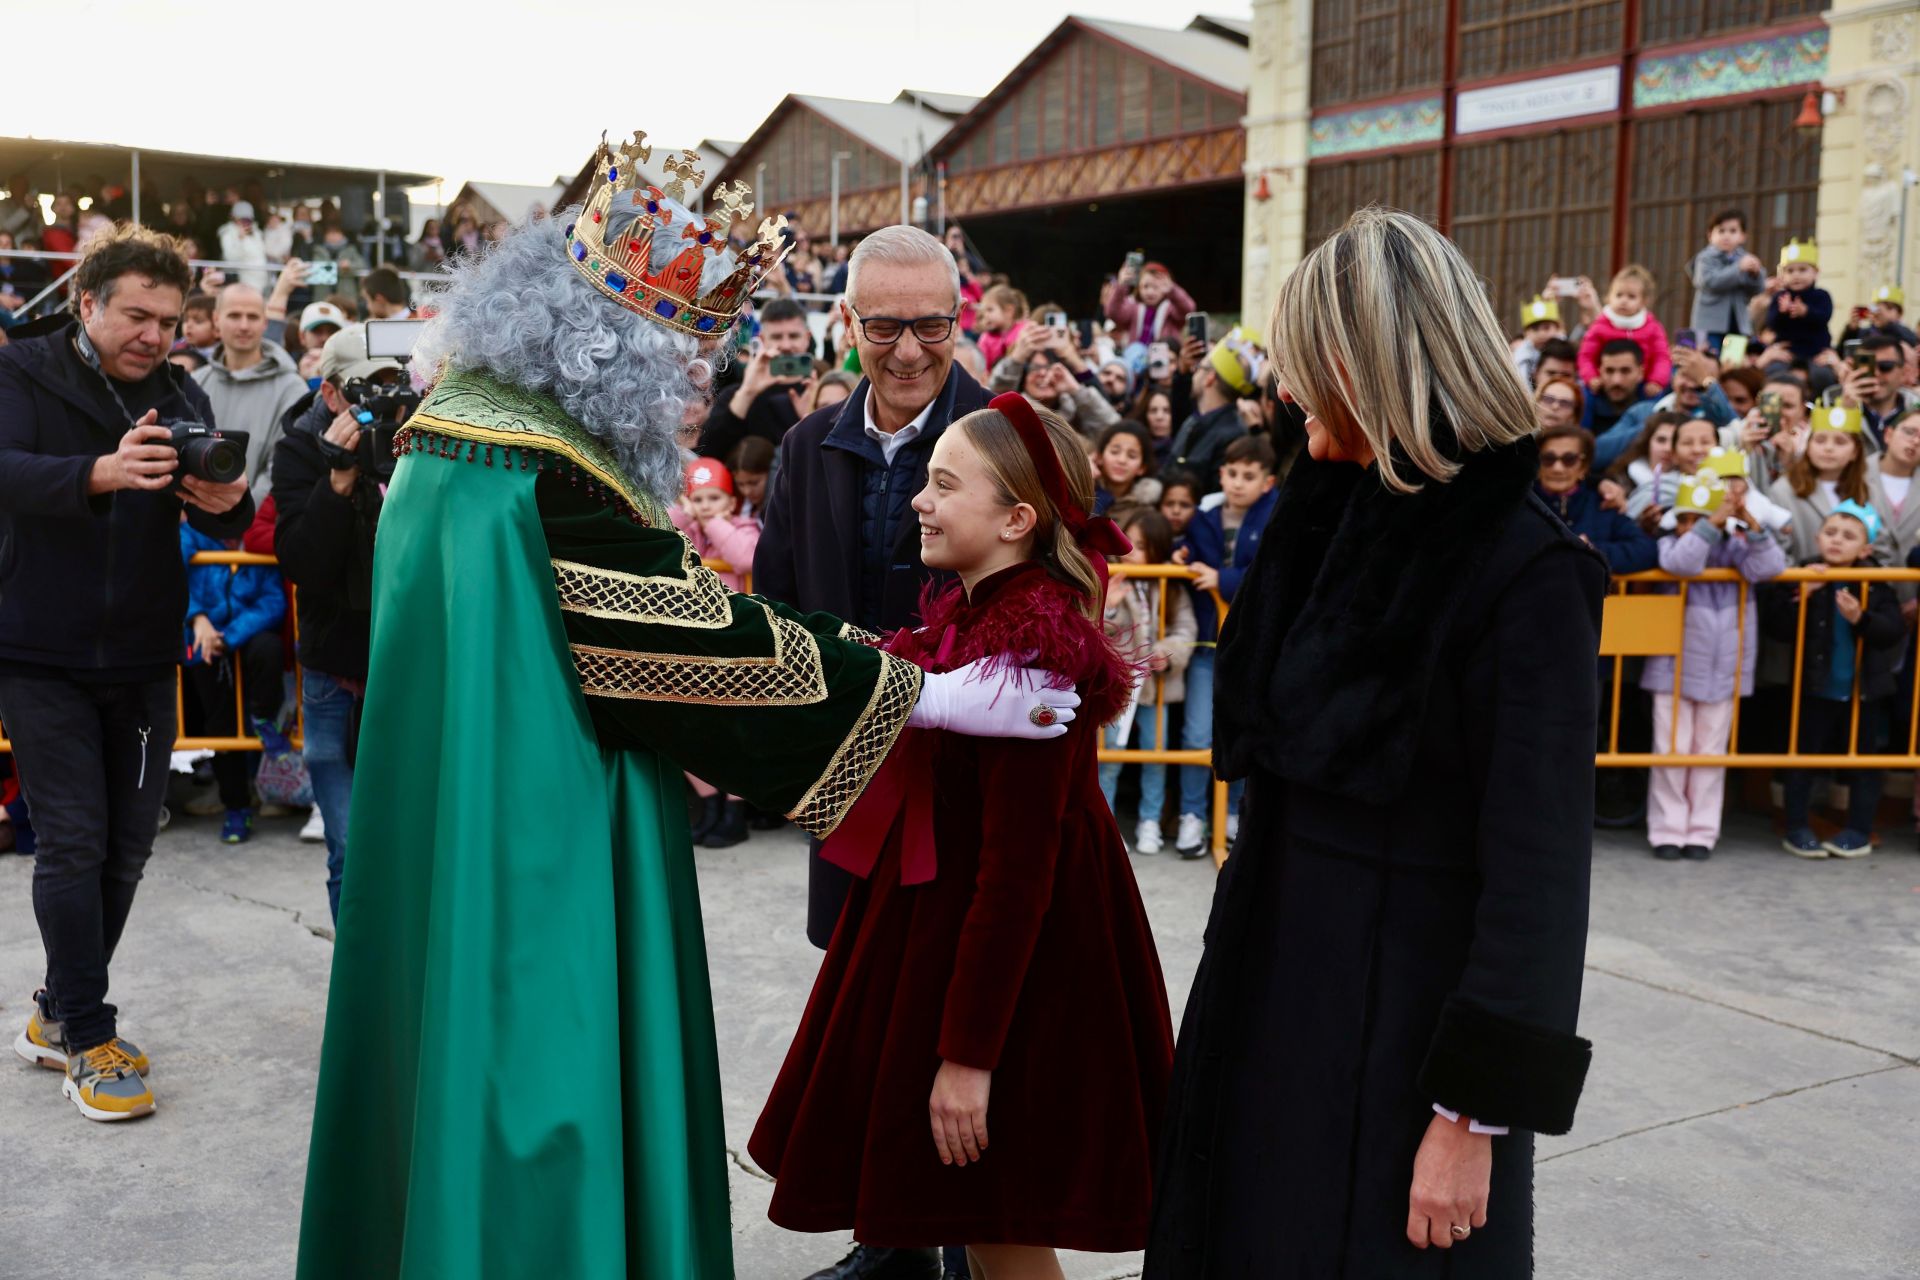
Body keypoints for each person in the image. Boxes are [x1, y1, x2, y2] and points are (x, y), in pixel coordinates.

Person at [295, 137, 1078, 1279]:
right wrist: (923, 690)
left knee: (446, 1056)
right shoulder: (540, 464)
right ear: (610, 343)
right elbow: (682, 631)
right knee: (543, 1073)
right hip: (542, 833)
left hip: (461, 820)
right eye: (680, 355)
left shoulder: (457, 429)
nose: (692, 388)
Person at [1146, 209, 1600, 1277]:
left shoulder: (1525, 568)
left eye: (1305, 365)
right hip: (1272, 982)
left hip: (1406, 1026)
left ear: (1368, 363)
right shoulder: (1328, 515)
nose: (1285, 394)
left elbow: (1538, 868)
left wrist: (1473, 1114)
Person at [750, 394, 1175, 1277]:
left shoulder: (1030, 647)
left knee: (1000, 1224)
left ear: (1018, 519)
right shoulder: (982, 617)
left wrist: (970, 1057)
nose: (919, 500)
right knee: (983, 1219)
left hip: (1013, 982)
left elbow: (1018, 873)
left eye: (944, 485)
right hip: (968, 956)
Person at [753, 222, 993, 1280]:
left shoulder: (1006, 432)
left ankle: (974, 1237)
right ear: (848, 323)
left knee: (969, 1018)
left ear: (959, 318)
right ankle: (891, 1238)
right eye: (885, 325)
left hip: (974, 785)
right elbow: (776, 598)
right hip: (854, 785)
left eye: (931, 324)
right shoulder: (808, 447)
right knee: (869, 1014)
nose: (907, 350)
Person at [0, 226, 253, 1123]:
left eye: (169, 318)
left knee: (127, 850)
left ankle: (54, 1011)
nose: (154, 334)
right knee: (73, 842)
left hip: (145, 655)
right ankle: (87, 1035)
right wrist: (98, 474)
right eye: (136, 315)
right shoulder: (21, 370)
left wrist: (230, 503)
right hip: (40, 653)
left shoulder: (181, 388)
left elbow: (225, 513)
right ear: (87, 303)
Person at [269, 324, 400, 921]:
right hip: (333, 671)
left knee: (414, 843)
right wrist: (340, 479)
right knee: (349, 849)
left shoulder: (421, 440)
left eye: (397, 384)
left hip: (408, 665)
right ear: (331, 394)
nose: (386, 400)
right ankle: (358, 1004)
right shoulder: (300, 449)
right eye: (369, 388)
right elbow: (303, 563)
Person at [1641, 466, 1785, 861]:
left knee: (1709, 752)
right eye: (1688, 519)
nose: (1696, 526)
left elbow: (1771, 568)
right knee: (1670, 752)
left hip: (1723, 671)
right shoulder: (1672, 544)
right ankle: (1668, 829)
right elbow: (1682, 564)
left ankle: (1701, 831)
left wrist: (1752, 525)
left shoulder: (1736, 548)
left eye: (1702, 518)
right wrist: (1709, 525)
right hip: (1672, 670)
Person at [1767, 501, 1904, 858]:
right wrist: (1801, 595)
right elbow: (1776, 626)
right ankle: (1797, 827)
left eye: (1848, 536)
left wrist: (1862, 618)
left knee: (1862, 765)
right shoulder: (1805, 574)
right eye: (1830, 533)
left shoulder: (1876, 583)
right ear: (1817, 536)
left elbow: (1892, 631)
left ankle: (1858, 830)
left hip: (1862, 694)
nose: (1837, 541)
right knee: (1802, 760)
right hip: (1813, 690)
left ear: (1866, 548)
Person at [1171, 432, 1276, 856]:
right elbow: (1191, 549)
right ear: (1221, 473)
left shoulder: (1275, 514)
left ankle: (1235, 812)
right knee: (1197, 734)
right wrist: (1179, 553)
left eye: (1248, 476)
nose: (1237, 483)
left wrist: (1225, 580)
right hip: (1204, 644)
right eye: (1232, 473)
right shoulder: (1204, 516)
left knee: (1240, 732)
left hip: (1250, 645)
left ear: (1266, 482)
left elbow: (1271, 571)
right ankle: (1193, 816)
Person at [671, 457, 763, 849]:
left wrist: (713, 522)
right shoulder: (689, 527)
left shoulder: (742, 527)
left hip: (735, 648)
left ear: (729, 501)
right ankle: (710, 804)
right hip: (694, 644)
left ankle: (734, 812)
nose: (705, 504)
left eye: (714, 497)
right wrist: (686, 511)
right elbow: (663, 530)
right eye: (699, 498)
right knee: (688, 728)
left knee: (734, 733)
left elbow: (745, 558)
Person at [180, 512, 287, 843]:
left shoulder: (254, 539)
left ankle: (263, 718)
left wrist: (228, 637)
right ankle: (236, 809)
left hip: (240, 637)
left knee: (269, 649)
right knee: (221, 725)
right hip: (202, 642)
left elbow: (273, 600)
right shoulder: (189, 535)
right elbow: (170, 575)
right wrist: (197, 620)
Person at [1101, 507, 1194, 854]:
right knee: (1109, 756)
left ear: (1156, 549)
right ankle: (1105, 826)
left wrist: (1165, 652)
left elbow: (1185, 629)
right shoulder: (1107, 577)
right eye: (1126, 541)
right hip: (1117, 687)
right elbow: (1093, 630)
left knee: (1155, 756)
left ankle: (1150, 821)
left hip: (1156, 688)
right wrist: (1108, 607)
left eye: (1141, 545)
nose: (1130, 550)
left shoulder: (1166, 583)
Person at [191, 282, 307, 500]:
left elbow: (283, 466)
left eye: (252, 317)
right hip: (195, 524)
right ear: (216, 319)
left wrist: (241, 514)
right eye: (234, 316)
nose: (244, 326)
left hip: (256, 526)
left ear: (265, 322)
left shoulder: (292, 389)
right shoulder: (195, 383)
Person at [699, 296, 815, 459]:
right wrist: (747, 392)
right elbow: (709, 454)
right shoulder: (737, 394)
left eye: (794, 336)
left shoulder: (821, 391)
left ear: (807, 338)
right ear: (762, 339)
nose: (786, 345)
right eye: (776, 337)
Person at [1535, 424, 1657, 574]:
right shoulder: (1521, 505)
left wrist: (1592, 550)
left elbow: (1645, 550)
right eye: (1548, 458)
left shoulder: (1604, 504)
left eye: (1569, 459)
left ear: (1584, 466)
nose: (1557, 468)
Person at [1768, 404, 1879, 565]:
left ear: (1855, 452)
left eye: (1840, 442)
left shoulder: (1868, 491)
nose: (1828, 448)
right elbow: (1778, 549)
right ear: (1808, 446)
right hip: (1803, 585)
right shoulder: (1783, 490)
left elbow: (1879, 547)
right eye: (1820, 440)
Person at [1165, 327, 1261, 496]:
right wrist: (1182, 371)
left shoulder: (1232, 436)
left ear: (1210, 378)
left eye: (1199, 368)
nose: (1194, 373)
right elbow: (1180, 407)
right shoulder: (1195, 419)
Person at [989, 325, 1120, 435]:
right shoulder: (1008, 414)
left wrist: (1077, 390)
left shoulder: (1076, 415)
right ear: (1023, 376)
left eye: (1051, 367)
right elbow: (992, 399)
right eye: (1035, 367)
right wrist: (1017, 357)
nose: (1043, 373)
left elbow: (1113, 431)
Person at [1578, 264, 1671, 394]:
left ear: (1644, 301)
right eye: (1619, 295)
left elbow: (1662, 357)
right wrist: (1591, 378)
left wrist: (1656, 381)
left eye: (1631, 296)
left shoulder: (1653, 328)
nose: (1623, 301)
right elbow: (1586, 356)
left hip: (1643, 386)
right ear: (1609, 297)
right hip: (1604, 384)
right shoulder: (1600, 325)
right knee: (1584, 397)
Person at [1688, 209, 1767, 338]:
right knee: (1709, 357)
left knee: (1734, 358)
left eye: (1733, 231)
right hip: (1710, 326)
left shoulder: (1745, 259)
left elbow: (1757, 289)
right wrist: (1738, 268)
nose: (1726, 235)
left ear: (1743, 236)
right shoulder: (1705, 258)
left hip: (1738, 324)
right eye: (1721, 230)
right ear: (1710, 236)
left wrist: (1755, 275)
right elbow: (1709, 282)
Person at [1108, 257, 1195, 370]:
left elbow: (1188, 309)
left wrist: (1173, 290)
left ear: (1166, 287)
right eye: (1145, 286)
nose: (1150, 292)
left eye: (1155, 287)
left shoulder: (1171, 309)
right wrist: (1121, 286)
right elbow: (1113, 312)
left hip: (1167, 366)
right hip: (1137, 366)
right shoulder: (1133, 308)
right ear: (1138, 287)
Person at [1765, 239, 1834, 366]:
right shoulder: (1779, 297)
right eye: (1790, 271)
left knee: (1822, 376)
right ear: (1782, 275)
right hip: (1786, 353)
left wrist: (1806, 311)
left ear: (1816, 272)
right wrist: (1781, 312)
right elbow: (1771, 324)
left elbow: (1825, 316)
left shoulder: (1821, 295)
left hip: (1816, 353)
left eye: (1802, 270)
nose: (1796, 275)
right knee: (1775, 372)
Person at [1579, 339, 1654, 438]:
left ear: (1640, 373)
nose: (1616, 381)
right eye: (1609, 371)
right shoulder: (1582, 405)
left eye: (1625, 371)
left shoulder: (1657, 406)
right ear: (1600, 371)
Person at [1093, 420, 1160, 513]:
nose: (1122, 460)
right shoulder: (1081, 491)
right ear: (1099, 457)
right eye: (1114, 452)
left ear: (1142, 468)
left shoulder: (1144, 513)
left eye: (1132, 456)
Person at [217, 200, 271, 292]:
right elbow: (230, 259)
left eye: (248, 219)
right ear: (233, 217)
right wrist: (240, 240)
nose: (245, 222)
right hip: (241, 282)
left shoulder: (257, 233)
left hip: (262, 281)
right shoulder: (227, 233)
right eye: (242, 219)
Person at [974, 283, 1028, 370]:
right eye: (984, 311)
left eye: (990, 310)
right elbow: (982, 368)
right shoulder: (986, 339)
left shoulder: (1024, 331)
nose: (985, 315)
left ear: (1009, 311)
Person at [1512, 295, 1563, 385]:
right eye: (1535, 328)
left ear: (1557, 328)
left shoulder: (1566, 352)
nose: (1541, 333)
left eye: (1547, 327)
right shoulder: (1521, 358)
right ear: (1525, 332)